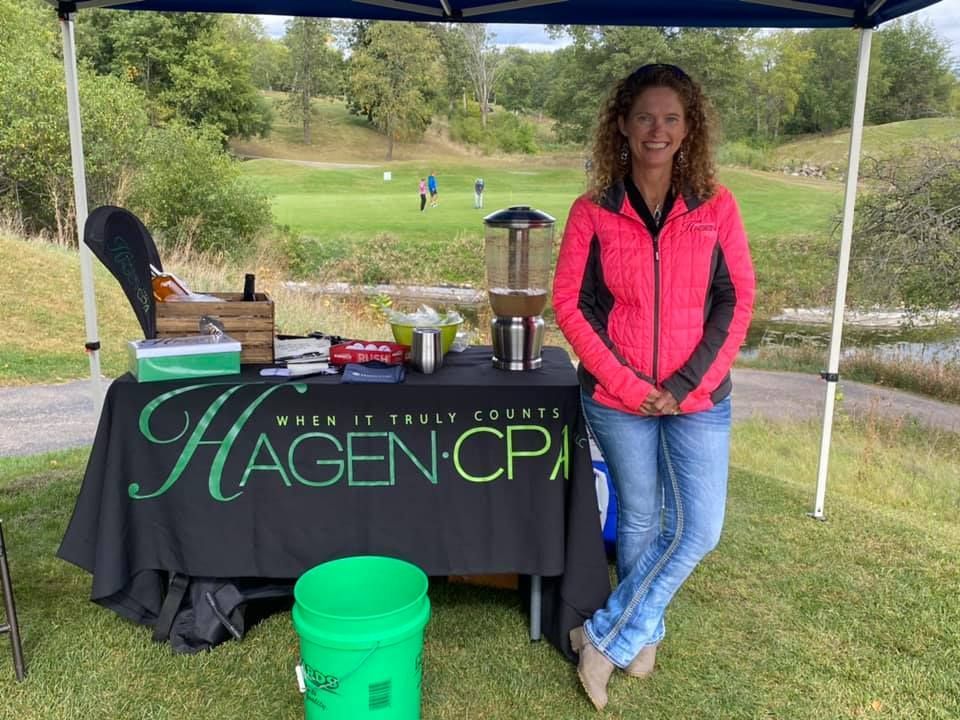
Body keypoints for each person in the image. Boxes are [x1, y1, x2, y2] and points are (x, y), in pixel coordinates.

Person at [552, 63, 755, 711]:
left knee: (699, 528)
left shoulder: (716, 206)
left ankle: (604, 640)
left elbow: (736, 298)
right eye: (644, 117)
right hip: (618, 398)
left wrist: (686, 380)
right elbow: (571, 304)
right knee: (639, 518)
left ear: (689, 127)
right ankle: (644, 640)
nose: (657, 130)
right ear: (622, 124)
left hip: (699, 397)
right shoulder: (594, 210)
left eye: (671, 118)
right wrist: (628, 382)